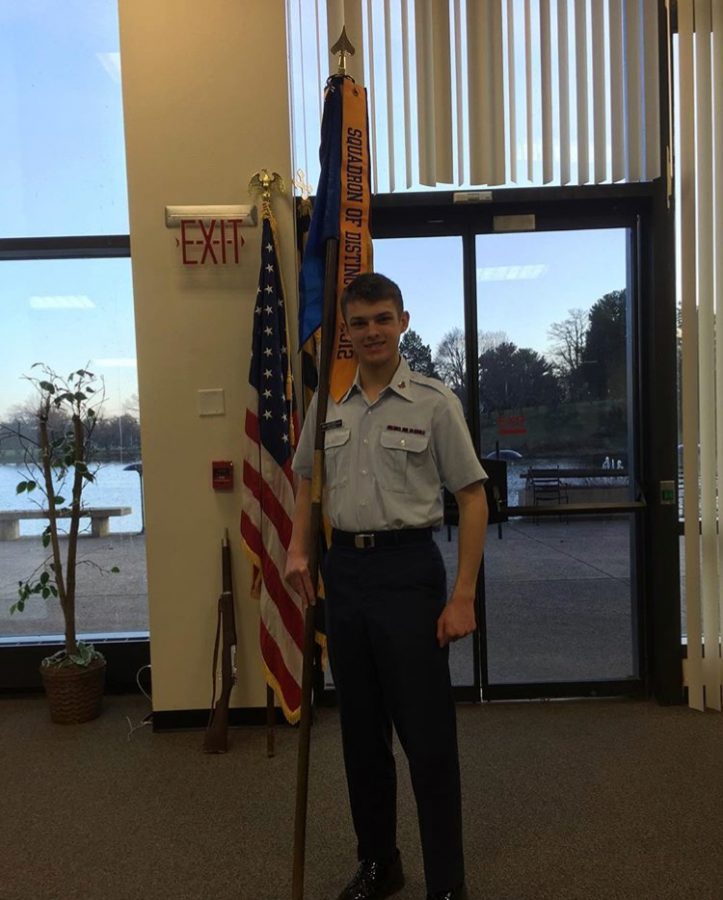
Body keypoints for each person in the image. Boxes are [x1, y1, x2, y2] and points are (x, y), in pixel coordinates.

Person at [285, 272, 488, 900]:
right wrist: (297, 547)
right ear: (344, 331)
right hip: (345, 576)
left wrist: (462, 597)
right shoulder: (328, 404)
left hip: (408, 576)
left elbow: (473, 498)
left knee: (427, 743)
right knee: (361, 738)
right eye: (360, 322)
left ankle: (446, 884)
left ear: (403, 322)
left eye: (382, 319)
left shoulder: (434, 401)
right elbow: (304, 480)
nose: (371, 331)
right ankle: (379, 864)